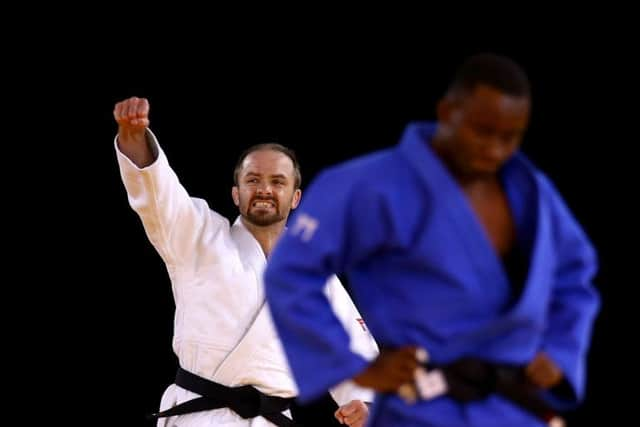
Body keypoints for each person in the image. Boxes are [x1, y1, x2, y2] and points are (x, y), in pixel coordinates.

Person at [263, 53, 601, 427]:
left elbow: (574, 273)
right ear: (446, 112)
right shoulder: (367, 185)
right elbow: (291, 273)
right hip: (421, 406)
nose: (495, 149)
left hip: (515, 406)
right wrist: (354, 368)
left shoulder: (529, 190)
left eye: (510, 137)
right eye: (482, 131)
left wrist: (560, 350)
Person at [113, 96, 379, 427]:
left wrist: (366, 403)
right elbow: (158, 197)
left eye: (278, 182)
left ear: (295, 198)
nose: (264, 189)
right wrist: (134, 138)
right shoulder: (198, 235)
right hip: (199, 419)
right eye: (253, 180)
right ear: (236, 194)